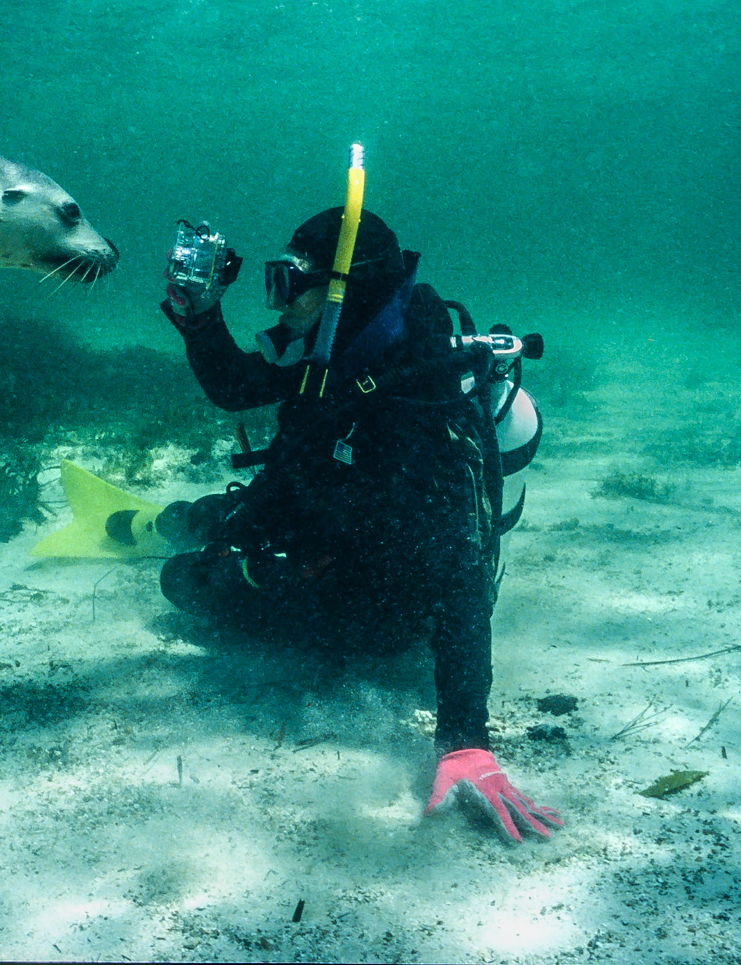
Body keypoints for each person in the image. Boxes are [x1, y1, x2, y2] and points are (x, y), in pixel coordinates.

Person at [157, 206, 562, 844]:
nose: (279, 301)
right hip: (324, 514)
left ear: (347, 288)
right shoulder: (335, 345)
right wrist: (200, 319)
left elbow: (458, 576)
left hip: (377, 594)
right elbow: (237, 386)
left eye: (289, 282)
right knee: (198, 518)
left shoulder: (413, 405)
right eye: (274, 280)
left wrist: (464, 741)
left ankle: (223, 556)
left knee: (183, 579)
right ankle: (184, 523)